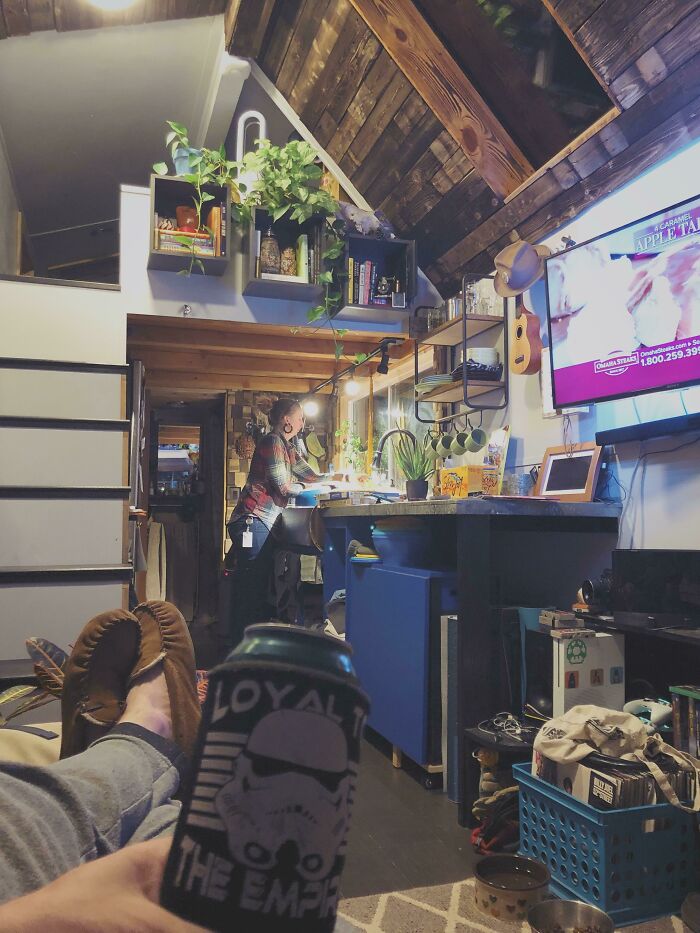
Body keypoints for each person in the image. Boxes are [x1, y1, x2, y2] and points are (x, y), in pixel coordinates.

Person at [226, 397, 324, 646]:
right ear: (286, 420)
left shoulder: (287, 446)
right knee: (252, 588)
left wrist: (336, 479)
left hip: (262, 522)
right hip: (252, 520)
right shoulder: (272, 442)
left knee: (257, 586)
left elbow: (310, 475)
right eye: (300, 417)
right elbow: (284, 487)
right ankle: (242, 648)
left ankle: (250, 646)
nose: (303, 422)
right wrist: (310, 487)